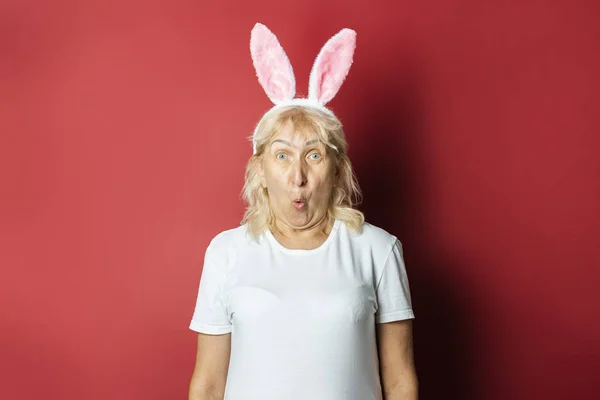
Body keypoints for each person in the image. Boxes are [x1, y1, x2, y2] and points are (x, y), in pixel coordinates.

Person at [188, 23, 417, 400]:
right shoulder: (226, 253)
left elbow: (400, 381)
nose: (298, 176)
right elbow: (209, 383)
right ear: (260, 170)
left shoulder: (378, 250)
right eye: (282, 156)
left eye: (314, 155)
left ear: (338, 169)